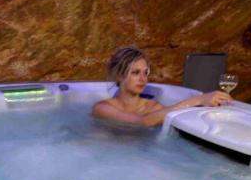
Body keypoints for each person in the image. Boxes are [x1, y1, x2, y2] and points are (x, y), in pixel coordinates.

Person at [91, 46, 232, 126]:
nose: (143, 79)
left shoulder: (154, 108)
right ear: (119, 76)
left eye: (145, 73)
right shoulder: (102, 108)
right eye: (135, 73)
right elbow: (142, 122)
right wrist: (198, 99)